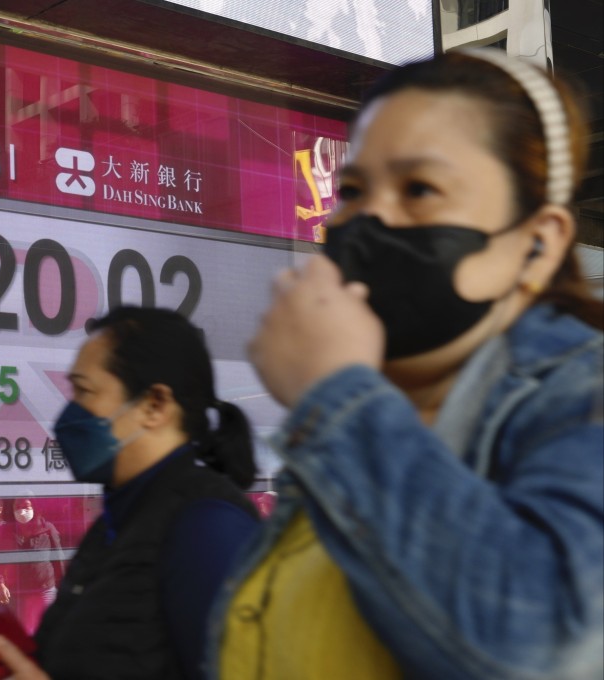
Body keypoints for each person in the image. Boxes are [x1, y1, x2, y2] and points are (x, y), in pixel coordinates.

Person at [201, 49, 602, 680]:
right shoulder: (369, 419)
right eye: (353, 191)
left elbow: (550, 647)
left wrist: (334, 391)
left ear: (538, 241)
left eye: (419, 189)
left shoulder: (581, 396)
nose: (371, 220)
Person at [0, 306, 262, 679]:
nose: (70, 413)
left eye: (85, 391)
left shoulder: (208, 526)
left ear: (155, 405)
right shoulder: (113, 526)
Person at [8, 495, 66, 634]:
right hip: (22, 593)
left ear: (34, 507)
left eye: (26, 506)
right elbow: (4, 560)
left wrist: (64, 586)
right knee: (27, 630)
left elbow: (58, 558)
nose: (22, 511)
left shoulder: (47, 528)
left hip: (45, 589)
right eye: (18, 507)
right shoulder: (10, 531)